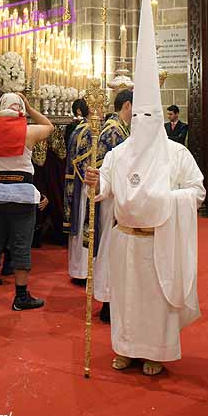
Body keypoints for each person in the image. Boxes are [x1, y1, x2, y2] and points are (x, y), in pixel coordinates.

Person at [85, 0, 205, 375]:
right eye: (141, 116)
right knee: (128, 299)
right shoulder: (119, 152)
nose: (146, 123)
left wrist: (167, 200)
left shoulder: (176, 154)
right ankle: (125, 348)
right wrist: (93, 182)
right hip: (126, 241)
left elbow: (198, 190)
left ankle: (155, 351)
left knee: (154, 299)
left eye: (153, 115)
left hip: (160, 240)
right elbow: (102, 187)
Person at [0, 92, 53, 310]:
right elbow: (49, 126)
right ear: (20, 109)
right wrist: (29, 108)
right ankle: (20, 296)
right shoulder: (28, 131)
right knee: (21, 244)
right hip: (22, 195)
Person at [94, 88, 133, 323]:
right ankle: (108, 300)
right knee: (111, 247)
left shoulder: (121, 128)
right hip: (112, 198)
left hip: (123, 196)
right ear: (127, 105)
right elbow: (104, 169)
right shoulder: (113, 130)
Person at [63, 98, 94, 287]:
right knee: (85, 220)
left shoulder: (78, 128)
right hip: (86, 183)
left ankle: (79, 269)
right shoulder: (88, 129)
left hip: (79, 181)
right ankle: (83, 270)